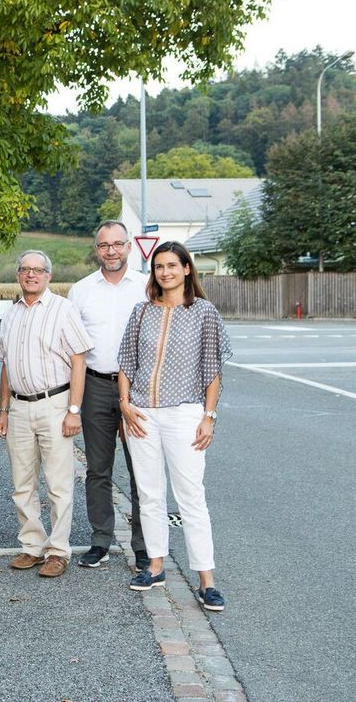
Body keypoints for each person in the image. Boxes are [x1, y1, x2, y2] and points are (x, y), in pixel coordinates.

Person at [118, 241, 231, 613]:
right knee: (149, 493)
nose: (164, 272)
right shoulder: (141, 311)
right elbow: (127, 363)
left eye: (171, 265)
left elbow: (212, 370)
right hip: (142, 415)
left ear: (186, 269)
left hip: (185, 413)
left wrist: (209, 417)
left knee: (191, 496)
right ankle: (155, 567)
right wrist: (125, 404)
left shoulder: (204, 312)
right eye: (158, 266)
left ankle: (207, 581)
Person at [0, 251, 93, 579]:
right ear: (18, 275)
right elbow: (7, 365)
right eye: (25, 269)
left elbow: (79, 360)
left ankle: (58, 551)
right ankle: (32, 545)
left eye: (38, 270)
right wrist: (3, 410)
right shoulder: (11, 314)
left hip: (55, 404)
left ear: (48, 276)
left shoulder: (63, 309)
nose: (31, 275)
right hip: (19, 407)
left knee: (58, 483)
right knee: (22, 483)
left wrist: (74, 410)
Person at [66, 221, 149, 571]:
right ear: (96, 249)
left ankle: (144, 544)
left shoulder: (147, 286)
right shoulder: (81, 291)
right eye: (104, 245)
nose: (111, 251)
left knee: (142, 469)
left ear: (128, 246)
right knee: (98, 469)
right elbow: (71, 347)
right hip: (96, 386)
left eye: (117, 244)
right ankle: (100, 540)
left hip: (140, 389)